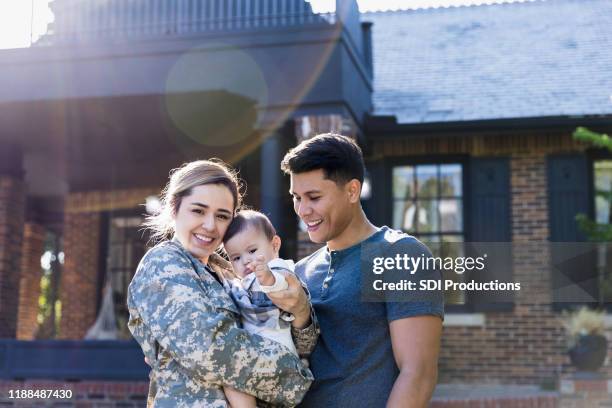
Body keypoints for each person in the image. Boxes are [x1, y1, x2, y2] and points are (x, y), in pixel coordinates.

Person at [127, 159, 318, 407]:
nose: (210, 225)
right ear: (174, 209)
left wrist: (301, 311)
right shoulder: (164, 264)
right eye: (198, 210)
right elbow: (211, 351)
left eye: (222, 216)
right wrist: (298, 378)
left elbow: (303, 344)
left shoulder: (232, 273)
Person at [280, 134, 444, 407]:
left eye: (314, 197)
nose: (303, 210)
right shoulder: (301, 271)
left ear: (352, 191)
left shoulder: (401, 255)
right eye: (296, 197)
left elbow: (419, 373)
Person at [222, 210, 312, 408]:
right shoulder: (242, 283)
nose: (246, 260)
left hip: (278, 355)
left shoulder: (278, 268)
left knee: (229, 374)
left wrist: (267, 278)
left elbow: (282, 285)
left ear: (275, 245)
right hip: (261, 359)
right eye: (236, 258)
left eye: (252, 251)